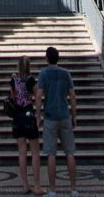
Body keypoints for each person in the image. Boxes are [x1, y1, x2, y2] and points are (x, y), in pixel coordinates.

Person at [35, 46, 78, 197]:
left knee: (51, 154)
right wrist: (74, 115)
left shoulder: (43, 74)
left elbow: (39, 95)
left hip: (50, 117)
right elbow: (72, 96)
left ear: (47, 59)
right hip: (65, 115)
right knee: (70, 153)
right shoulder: (66, 74)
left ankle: (52, 190)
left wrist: (38, 115)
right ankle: (73, 189)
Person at [9, 57, 42, 195]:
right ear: (28, 67)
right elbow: (38, 95)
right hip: (29, 115)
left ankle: (25, 185)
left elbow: (12, 97)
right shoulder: (31, 80)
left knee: (22, 151)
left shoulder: (14, 80)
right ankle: (36, 185)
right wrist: (39, 114)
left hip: (17, 117)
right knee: (35, 151)